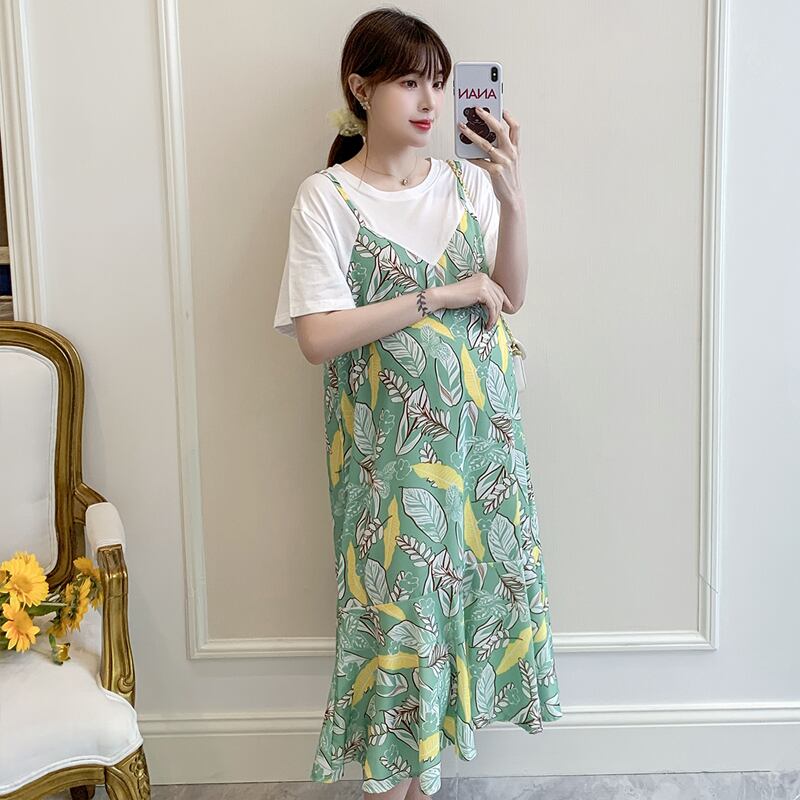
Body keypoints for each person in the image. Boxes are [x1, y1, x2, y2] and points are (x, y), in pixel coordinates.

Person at [273, 7, 562, 799]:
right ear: (360, 89)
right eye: (409, 82)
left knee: (460, 611)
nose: (431, 101)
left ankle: (417, 788)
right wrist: (438, 296)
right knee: (400, 623)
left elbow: (512, 294)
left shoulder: (467, 183)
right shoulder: (327, 198)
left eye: (439, 82)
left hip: (481, 452)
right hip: (390, 463)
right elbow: (318, 336)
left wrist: (512, 194)